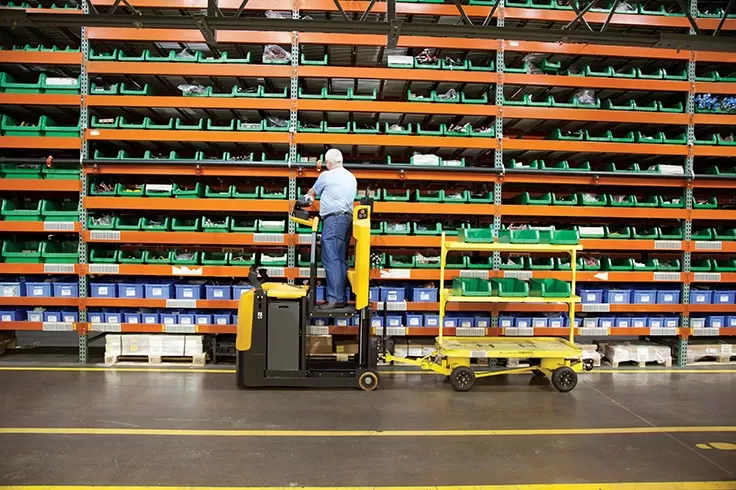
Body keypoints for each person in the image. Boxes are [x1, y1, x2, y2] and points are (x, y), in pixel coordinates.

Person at [300, 149, 357, 310]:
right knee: (340, 260)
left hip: (333, 220)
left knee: (331, 259)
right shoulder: (351, 177)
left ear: (329, 163)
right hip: (347, 220)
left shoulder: (326, 175)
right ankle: (340, 298)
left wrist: (302, 201)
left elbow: (311, 195)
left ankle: (334, 299)